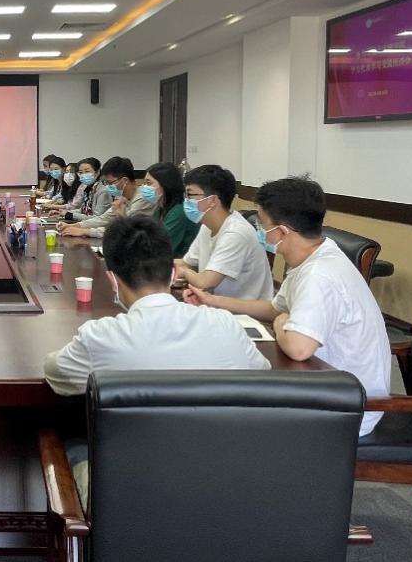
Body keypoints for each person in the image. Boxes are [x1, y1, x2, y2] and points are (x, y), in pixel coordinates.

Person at [44, 215, 270, 503]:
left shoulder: (101, 337)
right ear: (173, 274)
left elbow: (55, 374)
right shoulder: (225, 324)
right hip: (225, 484)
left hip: (134, 493)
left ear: (113, 280)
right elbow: (261, 373)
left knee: (72, 442)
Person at [184, 176, 391, 436]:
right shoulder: (313, 255)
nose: (258, 229)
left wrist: (282, 322)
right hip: (324, 386)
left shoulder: (319, 275)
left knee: (230, 416)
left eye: (262, 223)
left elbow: (298, 348)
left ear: (282, 231)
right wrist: (213, 301)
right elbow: (274, 308)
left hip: (348, 410)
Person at [173, 165, 274, 300]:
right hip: (213, 304)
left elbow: (205, 282)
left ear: (212, 201)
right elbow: (187, 263)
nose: (186, 201)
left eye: (190, 195)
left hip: (242, 311)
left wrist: (184, 273)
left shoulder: (236, 233)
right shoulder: (207, 226)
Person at [58, 156, 154, 237]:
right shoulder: (122, 196)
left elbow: (128, 230)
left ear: (124, 181)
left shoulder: (142, 198)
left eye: (110, 182)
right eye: (105, 183)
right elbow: (104, 218)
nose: (107, 186)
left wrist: (86, 232)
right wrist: (76, 226)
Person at [139, 162, 197, 257]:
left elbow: (158, 248)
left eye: (149, 183)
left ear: (165, 185)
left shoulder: (179, 213)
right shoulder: (160, 209)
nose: (144, 187)